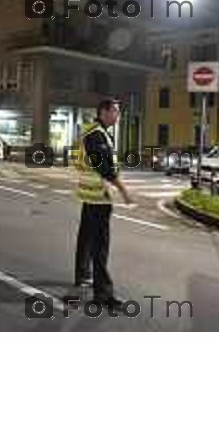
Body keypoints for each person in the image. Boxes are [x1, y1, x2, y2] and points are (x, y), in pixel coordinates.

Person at [73, 99, 132, 309]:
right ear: (104, 112)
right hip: (98, 195)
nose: (118, 116)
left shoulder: (96, 131)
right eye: (116, 111)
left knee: (87, 236)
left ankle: (82, 275)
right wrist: (123, 190)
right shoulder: (96, 134)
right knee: (100, 245)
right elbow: (103, 166)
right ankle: (103, 294)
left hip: (91, 194)